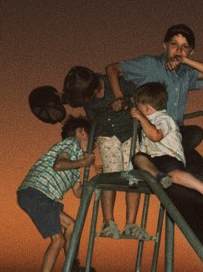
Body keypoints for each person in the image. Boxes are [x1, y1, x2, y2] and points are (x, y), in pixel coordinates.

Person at [107, 23, 203, 175]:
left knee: (199, 169)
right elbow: (112, 68)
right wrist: (119, 96)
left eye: (185, 47)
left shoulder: (186, 73)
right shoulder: (150, 65)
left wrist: (184, 61)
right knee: (195, 133)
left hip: (175, 135)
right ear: (164, 45)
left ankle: (169, 182)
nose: (179, 50)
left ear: (191, 52)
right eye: (174, 44)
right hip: (153, 131)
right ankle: (161, 161)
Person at [17, 116, 97, 272]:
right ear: (81, 132)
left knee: (71, 225)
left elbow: (78, 192)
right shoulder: (70, 144)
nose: (94, 146)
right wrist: (83, 163)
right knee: (58, 240)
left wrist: (92, 179)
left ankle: (72, 269)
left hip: (42, 197)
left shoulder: (75, 164)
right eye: (92, 140)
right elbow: (59, 164)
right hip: (36, 192)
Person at [61, 64, 143, 238]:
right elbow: (72, 102)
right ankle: (108, 222)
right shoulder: (84, 96)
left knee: (133, 177)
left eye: (93, 96)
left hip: (130, 133)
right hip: (106, 135)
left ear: (97, 88)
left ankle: (131, 224)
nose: (91, 101)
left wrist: (126, 103)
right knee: (110, 176)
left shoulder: (118, 84)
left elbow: (139, 96)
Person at [129, 83, 203, 204]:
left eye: (138, 107)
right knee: (138, 157)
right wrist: (133, 177)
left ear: (147, 108)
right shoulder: (146, 123)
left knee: (176, 174)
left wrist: (141, 118)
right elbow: (144, 148)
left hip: (168, 156)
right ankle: (160, 176)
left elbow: (156, 136)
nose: (137, 110)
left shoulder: (164, 119)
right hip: (154, 161)